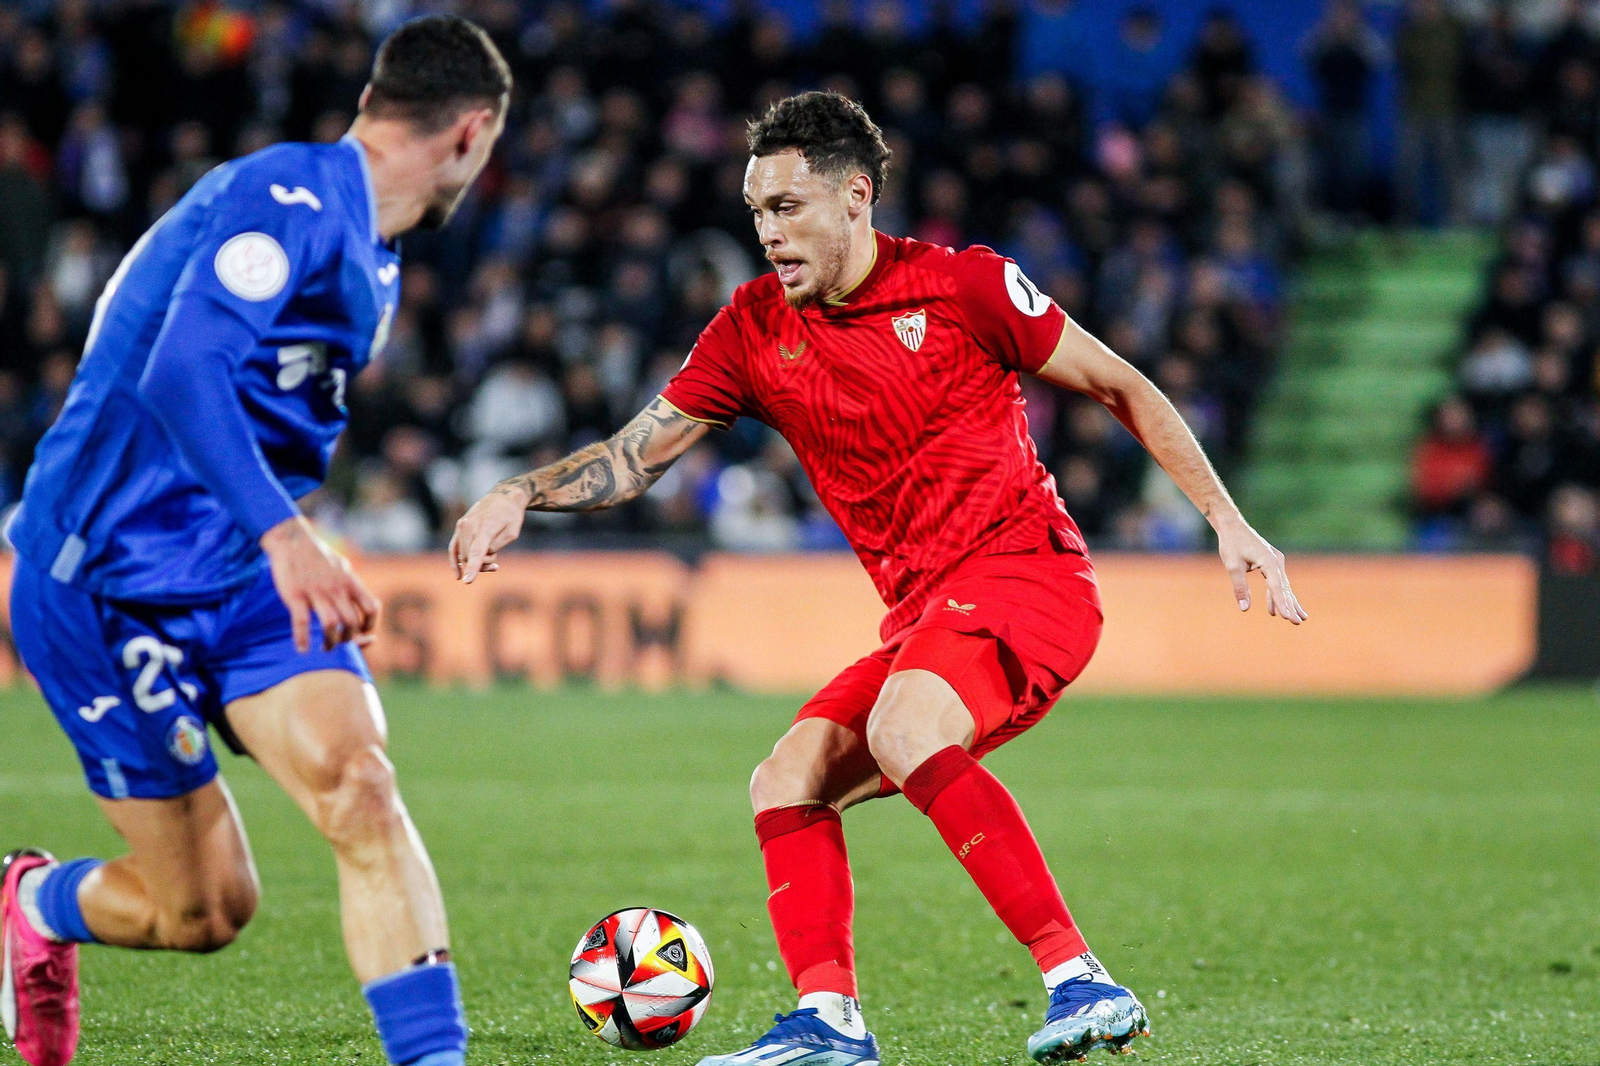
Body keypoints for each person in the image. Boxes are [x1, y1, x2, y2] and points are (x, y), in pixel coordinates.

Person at [451, 91, 1306, 1065]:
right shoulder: (750, 331)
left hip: (1029, 576)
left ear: (856, 198)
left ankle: (1081, 979)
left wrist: (1227, 520)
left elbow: (1122, 383)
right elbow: (636, 454)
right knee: (785, 779)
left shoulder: (965, 287)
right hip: (921, 615)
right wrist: (519, 491)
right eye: (756, 212)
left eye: (788, 208)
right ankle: (828, 1024)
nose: (767, 235)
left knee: (904, 727)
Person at [2, 16, 509, 1066]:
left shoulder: (372, 247)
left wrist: (274, 534)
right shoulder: (287, 196)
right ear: (472, 132)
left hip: (231, 566)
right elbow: (181, 371)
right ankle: (34, 901)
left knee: (363, 787)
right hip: (101, 578)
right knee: (203, 911)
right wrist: (289, 536)